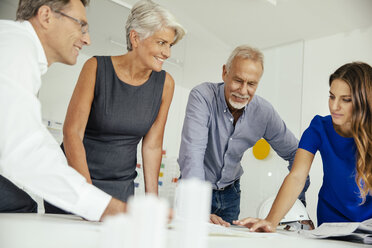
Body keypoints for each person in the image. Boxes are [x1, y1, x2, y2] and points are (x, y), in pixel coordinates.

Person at [44, 0, 185, 213]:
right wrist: (88, 197)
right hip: (75, 182)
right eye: (161, 43)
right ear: (136, 38)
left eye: (170, 45)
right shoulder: (95, 68)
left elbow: (152, 146)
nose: (167, 53)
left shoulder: (165, 84)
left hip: (120, 188)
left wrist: (153, 204)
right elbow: (72, 133)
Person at [0, 0, 126, 221]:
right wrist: (104, 207)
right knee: (20, 207)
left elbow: (35, 136)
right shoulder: (16, 46)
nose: (87, 39)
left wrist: (88, 194)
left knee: (22, 205)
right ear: (46, 16)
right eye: (81, 25)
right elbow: (24, 150)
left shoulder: (16, 46)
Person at [178, 45, 310, 225]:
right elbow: (192, 153)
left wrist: (297, 201)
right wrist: (197, 206)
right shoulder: (202, 96)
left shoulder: (264, 113)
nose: (243, 90)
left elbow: (297, 153)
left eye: (251, 84)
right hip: (197, 189)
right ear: (225, 72)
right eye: (238, 80)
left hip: (231, 195)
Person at [234, 62, 372, 232]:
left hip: (368, 223)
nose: (334, 106)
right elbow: (297, 177)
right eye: (331, 96)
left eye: (346, 99)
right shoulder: (319, 127)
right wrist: (270, 221)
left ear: (363, 101)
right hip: (332, 221)